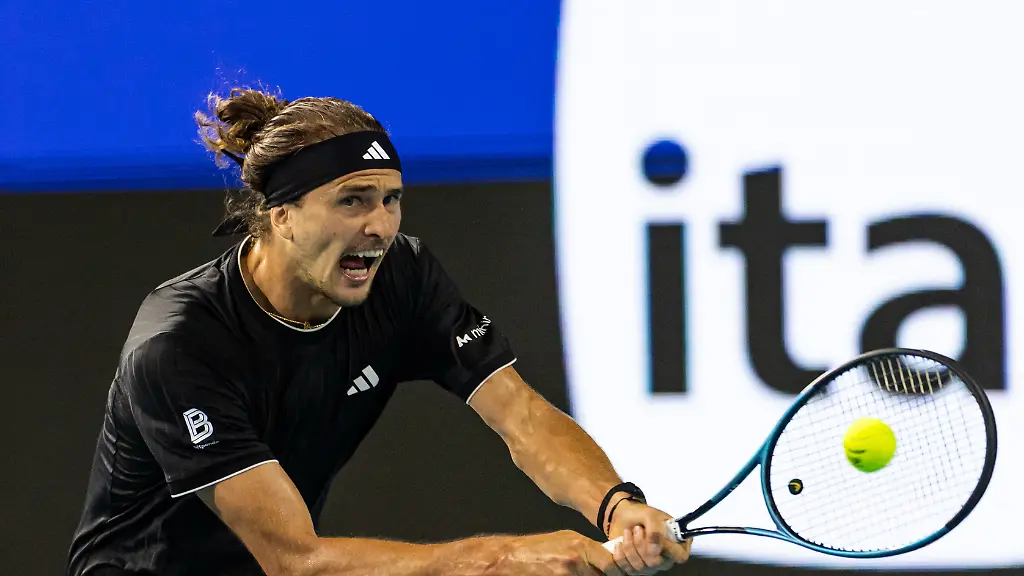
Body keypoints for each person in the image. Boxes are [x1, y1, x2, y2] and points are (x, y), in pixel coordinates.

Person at [67, 87, 691, 575]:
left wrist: (616, 505)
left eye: (391, 199)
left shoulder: (402, 278)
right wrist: (502, 558)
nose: (381, 225)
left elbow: (521, 417)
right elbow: (296, 560)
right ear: (281, 215)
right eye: (353, 200)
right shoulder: (179, 347)